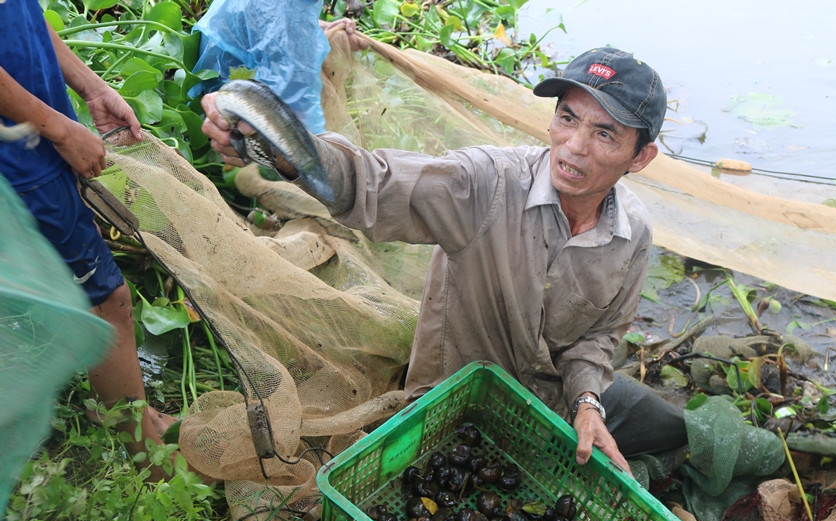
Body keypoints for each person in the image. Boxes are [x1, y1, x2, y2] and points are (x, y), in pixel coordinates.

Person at [201, 46, 688, 486]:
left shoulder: (633, 234)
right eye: (567, 118)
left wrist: (586, 403)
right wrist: (285, 152)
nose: (575, 146)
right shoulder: (487, 184)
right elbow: (373, 182)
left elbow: (598, 339)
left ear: (640, 157)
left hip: (548, 408)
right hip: (451, 407)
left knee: (670, 430)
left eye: (604, 133)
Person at [0, 1, 176, 475]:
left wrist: (92, 87)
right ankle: (144, 448)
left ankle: (117, 405)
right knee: (106, 298)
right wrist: (58, 129)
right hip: (19, 153)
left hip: (35, 132)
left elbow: (26, 16)